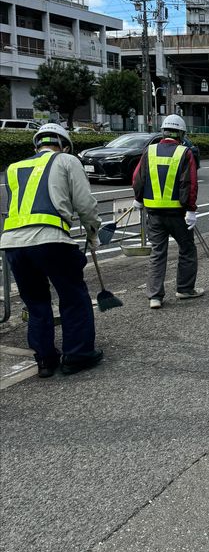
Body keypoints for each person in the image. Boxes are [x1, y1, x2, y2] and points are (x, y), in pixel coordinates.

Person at [1, 123, 103, 377]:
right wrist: (93, 232)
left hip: (14, 245)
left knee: (36, 302)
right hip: (51, 240)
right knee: (73, 297)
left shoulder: (14, 168)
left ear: (36, 145)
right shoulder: (67, 160)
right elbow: (84, 203)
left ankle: (45, 361)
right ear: (65, 145)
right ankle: (77, 356)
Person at [132, 114, 203, 309]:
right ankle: (185, 289)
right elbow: (189, 183)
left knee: (157, 252)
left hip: (154, 213)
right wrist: (191, 210)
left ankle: (155, 296)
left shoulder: (149, 150)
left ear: (163, 131)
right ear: (181, 133)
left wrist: (138, 199)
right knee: (187, 249)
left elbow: (138, 177)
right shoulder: (185, 153)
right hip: (178, 214)